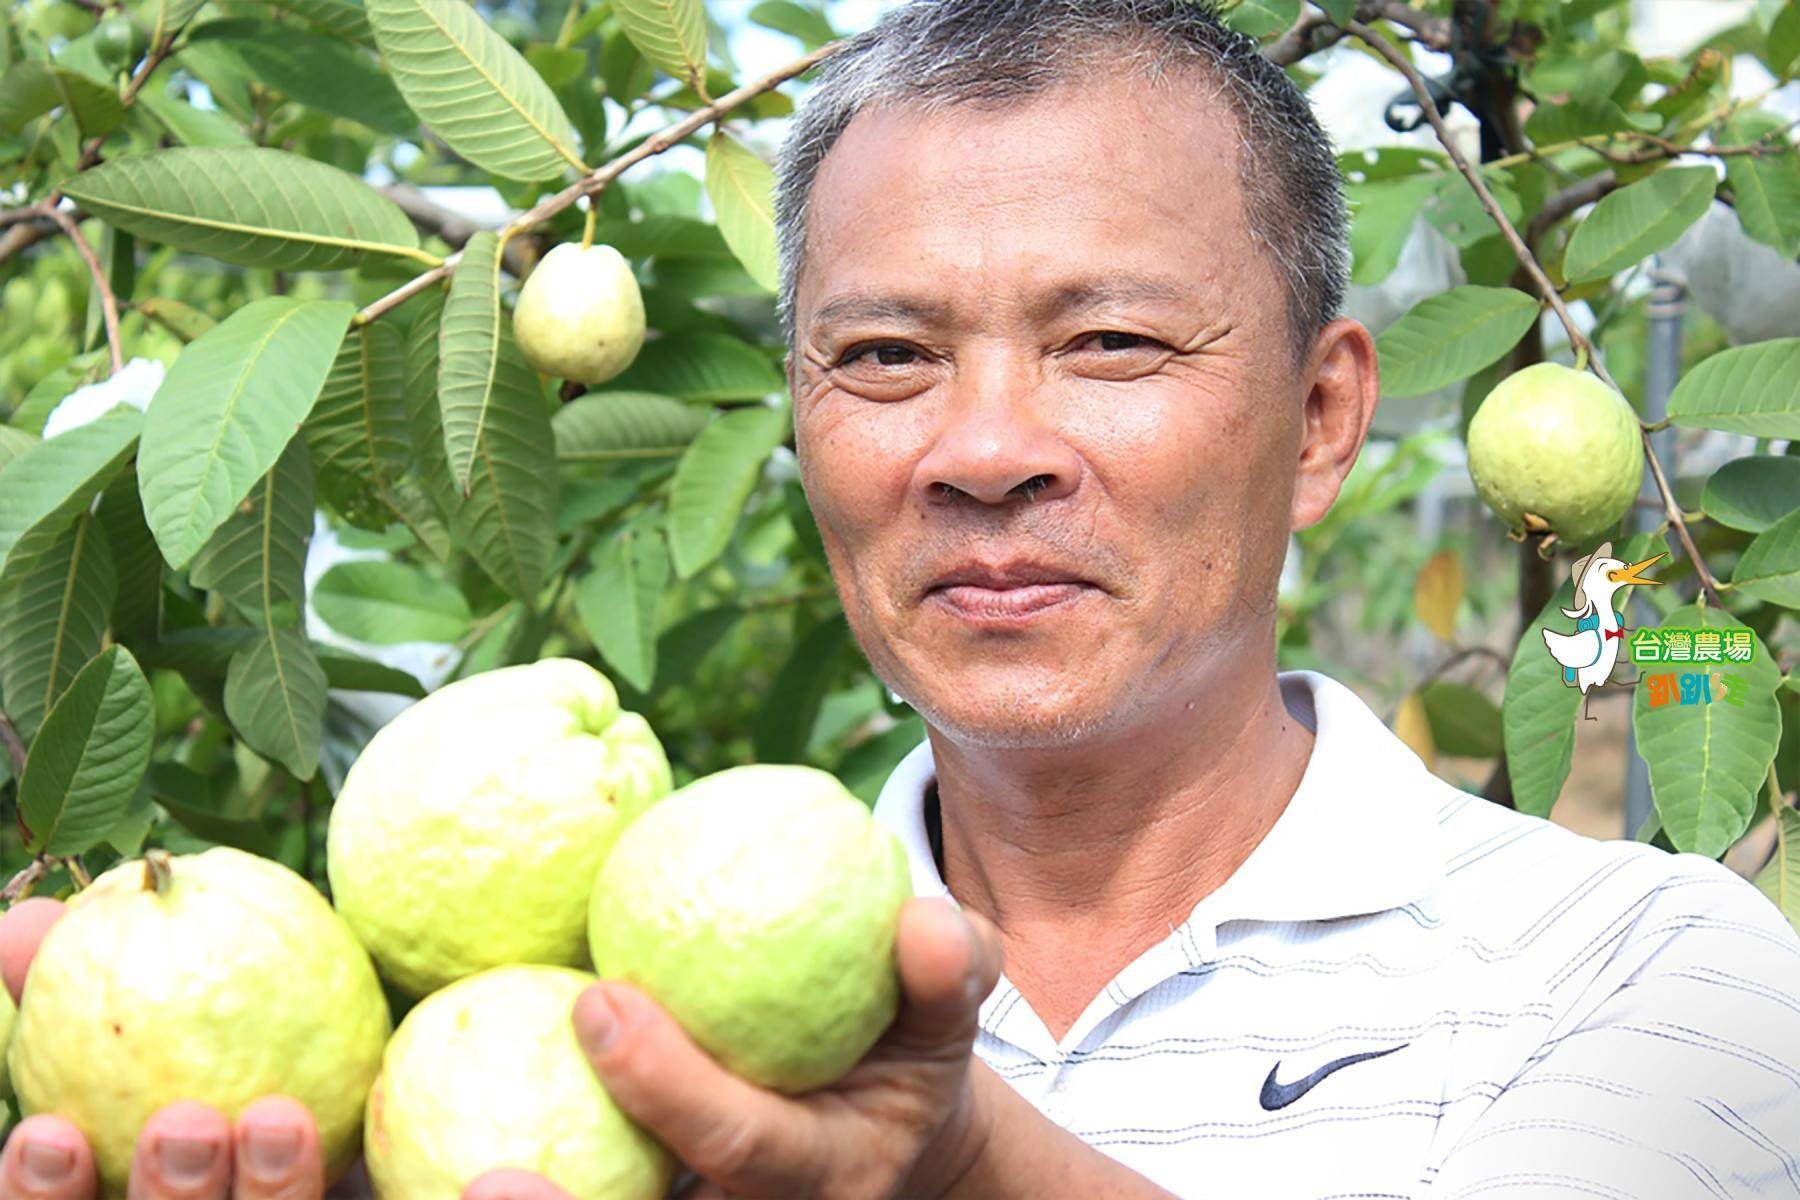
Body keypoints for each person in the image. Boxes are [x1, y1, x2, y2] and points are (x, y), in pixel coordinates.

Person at [5, 1, 1798, 1197]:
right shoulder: (602, 1030)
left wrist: (957, 1166)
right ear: (799, 423)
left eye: (1108, 341)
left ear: (1322, 420)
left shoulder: (1654, 975)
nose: (985, 448)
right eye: (883, 356)